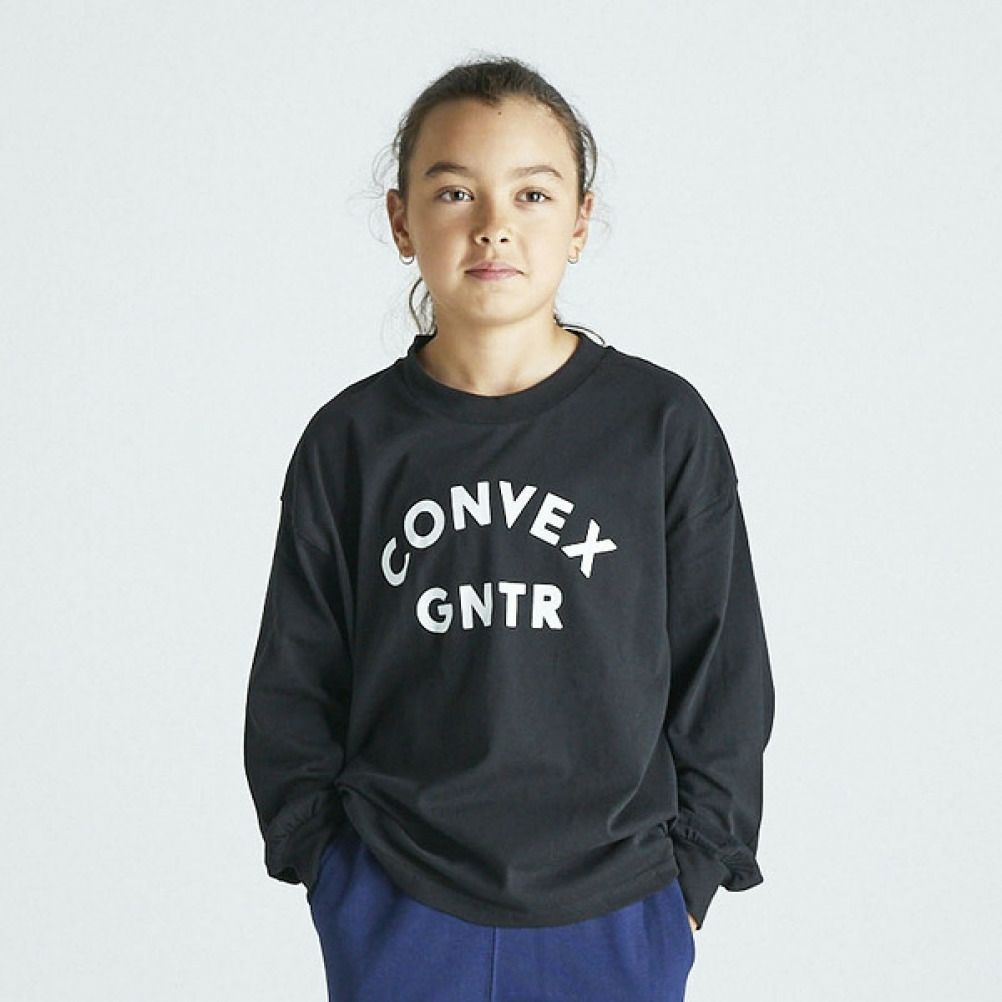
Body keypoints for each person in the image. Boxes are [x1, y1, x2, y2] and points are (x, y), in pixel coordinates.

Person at [243, 54, 775, 1002]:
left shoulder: (658, 428)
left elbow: (722, 669)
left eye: (533, 194)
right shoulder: (352, 441)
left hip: (617, 903)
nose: (494, 224)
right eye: (455, 192)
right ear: (402, 221)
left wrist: (691, 878)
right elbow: (296, 674)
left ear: (580, 221)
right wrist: (328, 866)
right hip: (398, 897)